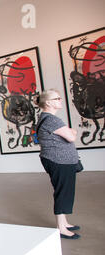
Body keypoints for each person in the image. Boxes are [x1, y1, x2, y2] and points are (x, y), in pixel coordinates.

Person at [36, 89, 81, 240]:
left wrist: (70, 132)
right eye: (57, 98)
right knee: (62, 192)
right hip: (58, 160)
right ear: (48, 102)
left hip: (59, 160)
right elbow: (71, 136)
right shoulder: (52, 120)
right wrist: (72, 131)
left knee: (64, 191)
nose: (60, 100)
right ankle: (61, 228)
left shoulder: (46, 118)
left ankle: (64, 223)